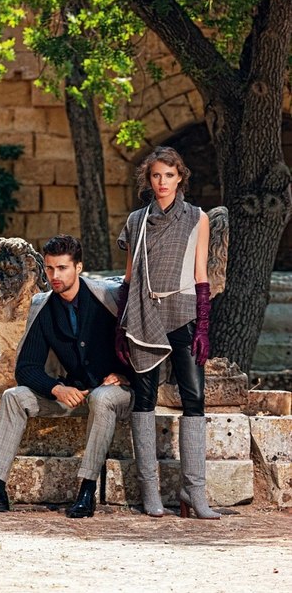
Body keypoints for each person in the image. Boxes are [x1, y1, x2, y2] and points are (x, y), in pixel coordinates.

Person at [0, 234, 133, 518]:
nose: (54, 276)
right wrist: (57, 389)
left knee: (102, 398)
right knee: (14, 396)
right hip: (73, 392)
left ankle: (87, 491)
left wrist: (125, 374)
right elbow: (26, 368)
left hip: (117, 391)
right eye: (49, 268)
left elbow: (140, 341)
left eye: (62, 268)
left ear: (78, 267)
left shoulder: (108, 297)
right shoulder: (43, 305)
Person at [115, 146, 221, 520]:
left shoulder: (197, 218)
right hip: (143, 315)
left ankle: (194, 492)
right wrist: (120, 328)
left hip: (184, 314)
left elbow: (202, 274)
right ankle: (150, 492)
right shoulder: (136, 221)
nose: (162, 182)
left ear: (180, 178)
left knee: (194, 398)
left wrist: (203, 326)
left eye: (169, 175)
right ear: (149, 179)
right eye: (156, 175)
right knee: (144, 399)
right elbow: (129, 278)